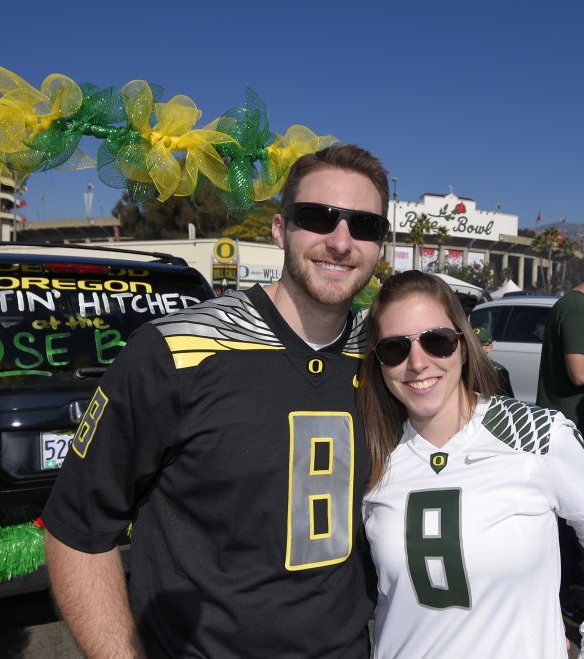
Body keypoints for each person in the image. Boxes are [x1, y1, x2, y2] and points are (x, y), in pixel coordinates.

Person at [42, 144, 391, 658]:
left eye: (363, 226)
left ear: (380, 245)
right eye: (318, 218)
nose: (340, 241)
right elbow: (77, 531)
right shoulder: (175, 351)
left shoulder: (389, 359)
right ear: (279, 229)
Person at [359, 270, 584, 658]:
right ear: (378, 363)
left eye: (436, 341)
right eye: (394, 348)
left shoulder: (536, 433)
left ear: (463, 344)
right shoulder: (372, 454)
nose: (417, 363)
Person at [536, 254, 584, 451]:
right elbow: (582, 374)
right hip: (571, 429)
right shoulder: (579, 312)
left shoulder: (569, 304)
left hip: (562, 426)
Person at [473, 325, 514, 397]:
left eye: (478, 346)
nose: (473, 349)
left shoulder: (498, 371)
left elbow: (507, 401)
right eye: (470, 345)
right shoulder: (461, 368)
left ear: (489, 348)